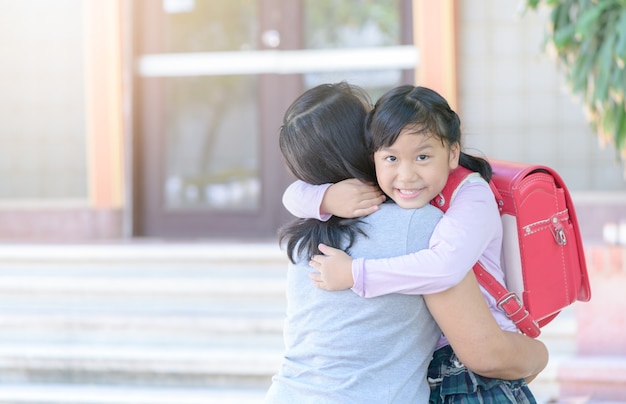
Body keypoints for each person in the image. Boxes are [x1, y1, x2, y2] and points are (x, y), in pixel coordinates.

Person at [267, 82, 547, 403]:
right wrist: (540, 355)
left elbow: (293, 195)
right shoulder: (418, 223)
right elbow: (485, 353)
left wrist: (325, 197)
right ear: (367, 146)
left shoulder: (302, 238)